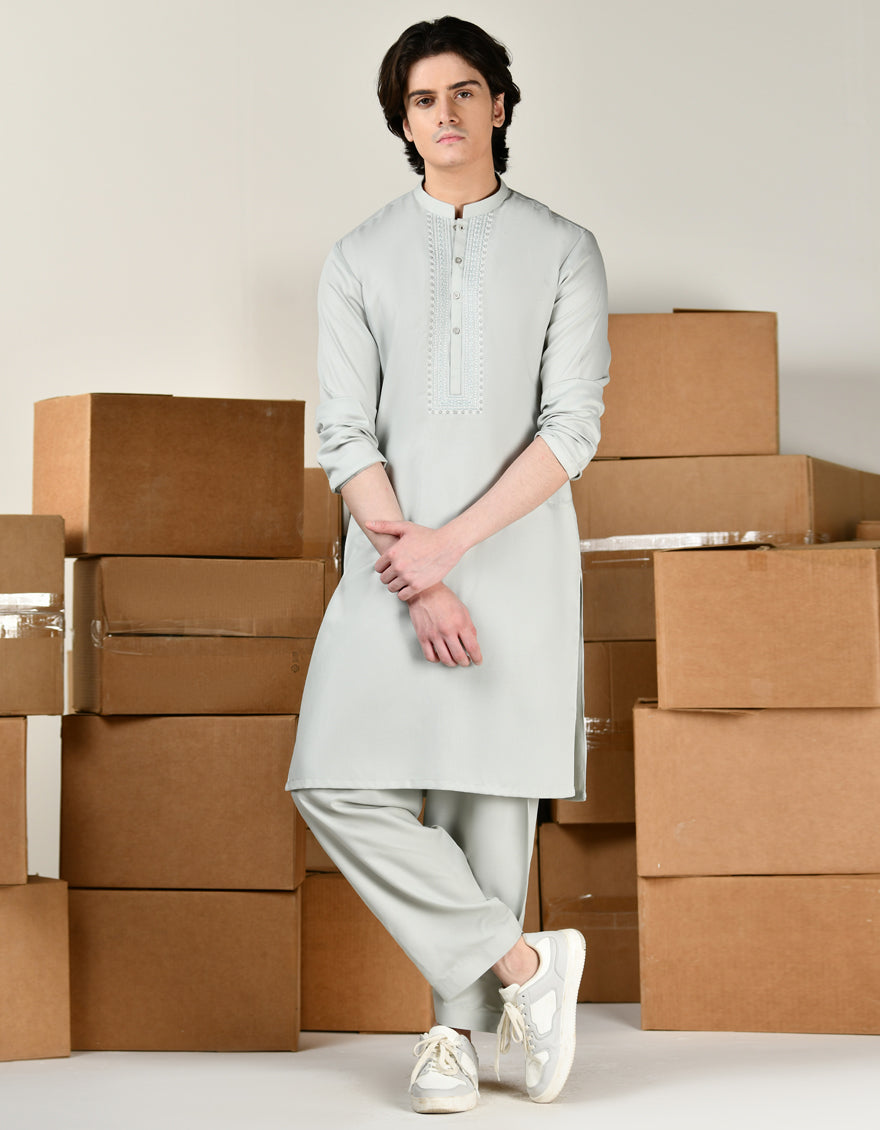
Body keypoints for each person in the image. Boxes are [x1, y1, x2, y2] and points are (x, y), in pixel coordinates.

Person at [287, 15, 610, 1114]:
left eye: (465, 92)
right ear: (404, 121)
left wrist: (455, 547)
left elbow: (571, 429)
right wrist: (419, 573)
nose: (446, 114)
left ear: (499, 105)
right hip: (390, 565)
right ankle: (526, 965)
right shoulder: (359, 255)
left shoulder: (563, 247)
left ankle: (453, 1039)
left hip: (514, 564)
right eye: (424, 100)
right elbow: (345, 435)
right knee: (334, 779)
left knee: (486, 806)